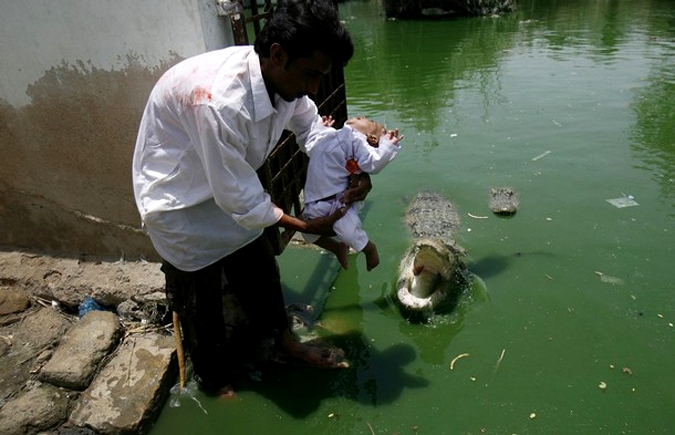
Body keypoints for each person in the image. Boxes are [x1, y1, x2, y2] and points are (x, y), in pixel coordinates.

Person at [132, 0, 369, 396]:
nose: (313, 87)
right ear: (278, 55)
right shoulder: (217, 101)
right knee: (198, 301)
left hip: (230, 181)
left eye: (320, 76)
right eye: (310, 74)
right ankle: (214, 380)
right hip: (180, 202)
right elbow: (239, 198)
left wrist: (352, 166)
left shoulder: (283, 82)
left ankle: (284, 342)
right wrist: (305, 226)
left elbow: (312, 130)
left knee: (260, 269)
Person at [301, 115, 403, 271]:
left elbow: (372, 162)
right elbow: (310, 145)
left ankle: (369, 249)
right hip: (317, 199)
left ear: (372, 138)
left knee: (348, 232)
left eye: (371, 122)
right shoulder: (332, 134)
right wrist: (320, 128)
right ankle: (336, 248)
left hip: (338, 200)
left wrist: (388, 146)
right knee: (307, 233)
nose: (362, 116)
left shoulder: (357, 141)